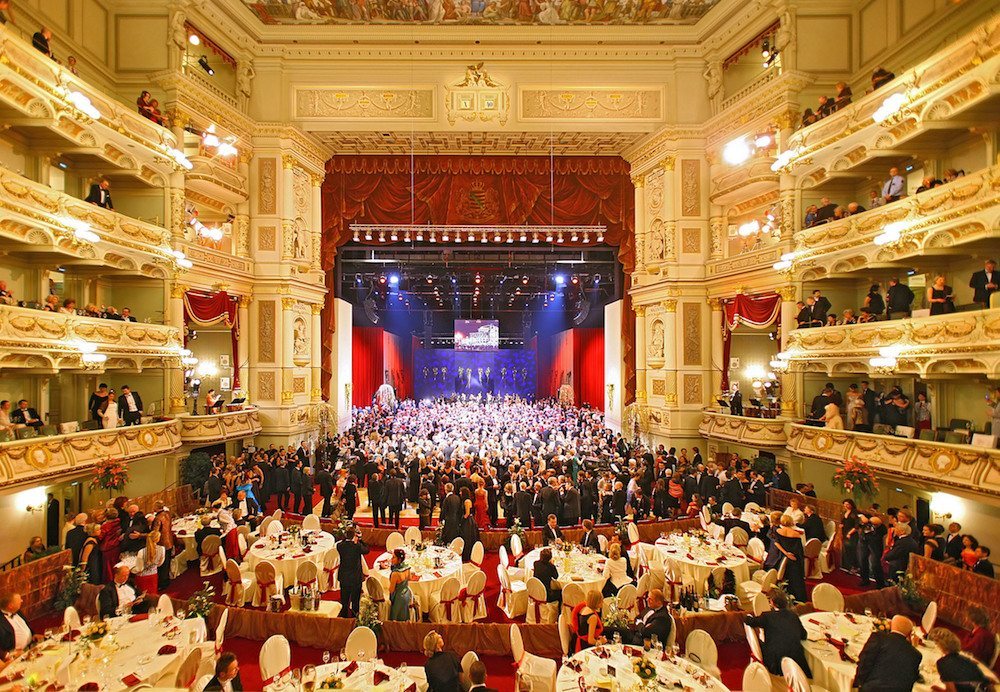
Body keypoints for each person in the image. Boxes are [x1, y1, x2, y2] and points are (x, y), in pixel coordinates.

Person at [744, 591, 810, 677]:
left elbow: (750, 621)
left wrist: (747, 616)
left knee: (763, 642)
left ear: (772, 602)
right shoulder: (794, 616)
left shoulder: (767, 617)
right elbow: (804, 635)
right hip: (797, 662)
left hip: (775, 662)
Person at [853, 615, 922, 692]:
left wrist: (858, 684)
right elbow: (911, 677)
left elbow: (865, 661)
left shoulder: (879, 638)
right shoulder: (916, 655)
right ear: (909, 633)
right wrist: (913, 647)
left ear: (890, 625)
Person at [772, 515, 807, 601]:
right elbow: (799, 550)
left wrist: (785, 553)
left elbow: (776, 543)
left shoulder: (778, 531)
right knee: (796, 579)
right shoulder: (796, 534)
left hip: (782, 558)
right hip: (793, 559)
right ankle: (798, 597)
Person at [336, 527, 369, 618]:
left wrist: (347, 538)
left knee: (344, 601)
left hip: (344, 577)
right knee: (355, 602)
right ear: (354, 535)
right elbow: (367, 550)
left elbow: (342, 542)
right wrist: (360, 540)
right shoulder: (357, 546)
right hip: (355, 578)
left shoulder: (340, 546)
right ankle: (355, 618)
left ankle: (344, 618)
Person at [0, 592, 41, 659]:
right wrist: (8, 655)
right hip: (16, 657)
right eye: (19, 600)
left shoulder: (17, 611)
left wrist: (33, 634)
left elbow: (25, 625)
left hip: (32, 647)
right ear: (10, 606)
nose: (22, 601)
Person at [133, 530, 164, 595]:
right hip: (153, 575)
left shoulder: (141, 552)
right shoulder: (162, 549)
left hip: (142, 577)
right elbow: (159, 564)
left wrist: (131, 569)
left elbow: (139, 569)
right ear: (157, 539)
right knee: (153, 595)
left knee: (142, 596)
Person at [387, 548, 413, 621]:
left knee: (397, 620)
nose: (391, 559)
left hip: (399, 598)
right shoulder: (407, 568)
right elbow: (410, 578)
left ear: (399, 560)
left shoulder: (395, 574)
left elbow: (391, 590)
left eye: (393, 557)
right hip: (407, 594)